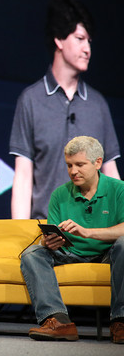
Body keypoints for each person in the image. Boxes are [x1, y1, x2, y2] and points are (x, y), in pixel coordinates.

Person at [10, 0, 120, 219]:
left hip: (94, 231)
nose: (87, 49)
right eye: (80, 38)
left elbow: (111, 173)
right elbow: (23, 176)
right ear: (59, 40)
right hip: (47, 230)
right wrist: (19, 233)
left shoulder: (98, 104)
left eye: (89, 41)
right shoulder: (31, 100)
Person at [20, 136, 124, 343]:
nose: (73, 171)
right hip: (71, 252)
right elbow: (53, 233)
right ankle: (58, 321)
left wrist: (88, 232)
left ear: (98, 162)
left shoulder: (119, 189)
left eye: (80, 164)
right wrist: (49, 242)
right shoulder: (60, 194)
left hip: (108, 252)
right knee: (32, 253)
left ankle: (120, 321)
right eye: (69, 165)